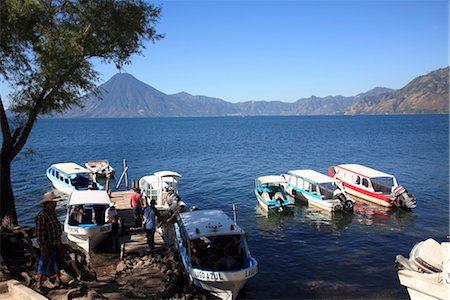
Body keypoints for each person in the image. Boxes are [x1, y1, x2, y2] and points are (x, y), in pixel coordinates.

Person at [35, 191, 67, 292]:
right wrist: (44, 248)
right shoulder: (42, 216)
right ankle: (39, 285)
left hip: (56, 243)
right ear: (47, 204)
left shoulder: (52, 213)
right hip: (48, 245)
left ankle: (59, 280)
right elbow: (40, 235)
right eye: (53, 203)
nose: (55, 204)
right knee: (43, 264)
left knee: (58, 263)